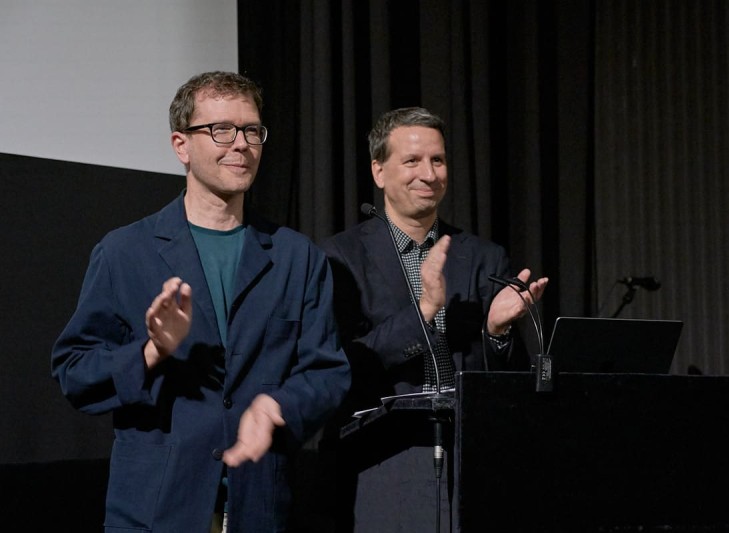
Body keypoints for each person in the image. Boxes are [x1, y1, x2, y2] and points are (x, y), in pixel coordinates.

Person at [51, 71, 351, 532]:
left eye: (252, 130)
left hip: (260, 508)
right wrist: (153, 351)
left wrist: (278, 405)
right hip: (157, 511)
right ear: (181, 145)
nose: (241, 144)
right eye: (221, 130)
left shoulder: (297, 256)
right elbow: (74, 371)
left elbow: (327, 372)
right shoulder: (125, 251)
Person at [320, 106, 548, 531]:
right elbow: (344, 365)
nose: (429, 173)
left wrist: (497, 332)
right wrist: (424, 311)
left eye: (437, 160)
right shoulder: (340, 258)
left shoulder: (483, 257)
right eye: (412, 161)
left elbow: (505, 382)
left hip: (471, 460)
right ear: (379, 171)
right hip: (383, 461)